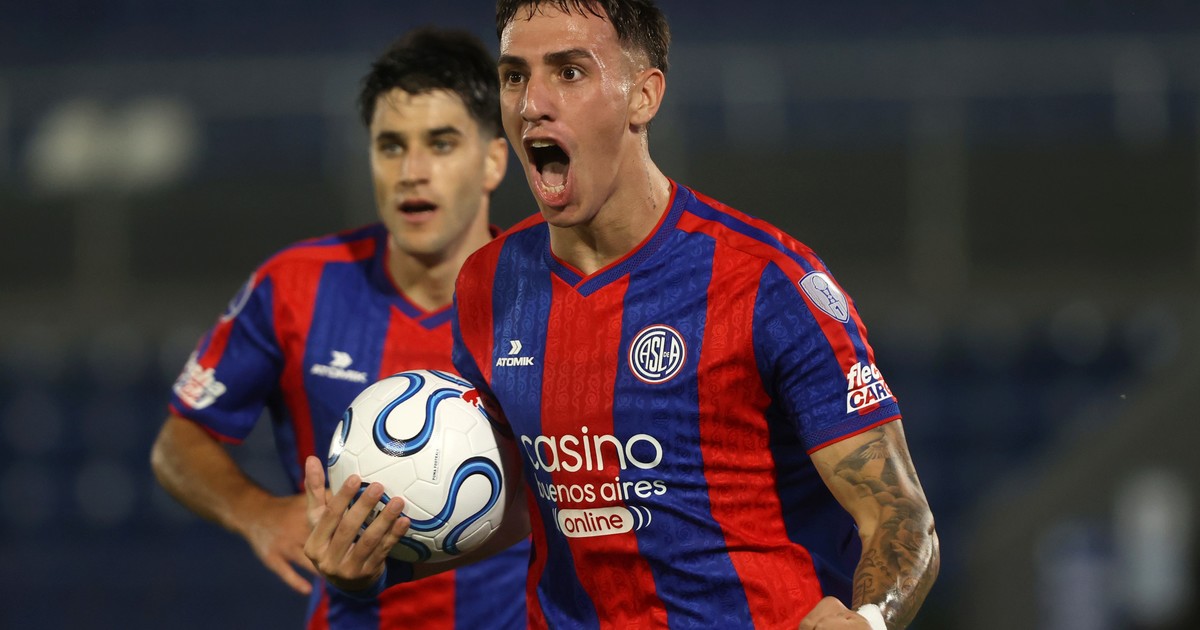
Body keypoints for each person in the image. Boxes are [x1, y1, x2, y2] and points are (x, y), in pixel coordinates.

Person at [304, 1, 940, 628]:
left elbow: (899, 515)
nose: (532, 103)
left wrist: (868, 619)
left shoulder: (767, 282)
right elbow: (518, 500)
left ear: (644, 96)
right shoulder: (489, 283)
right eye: (515, 76)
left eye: (569, 72)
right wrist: (374, 561)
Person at [150, 26, 529, 630]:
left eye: (441, 143)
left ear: (492, 161)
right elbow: (179, 441)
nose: (412, 171)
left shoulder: (546, 294)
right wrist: (256, 512)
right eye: (390, 146)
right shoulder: (296, 286)